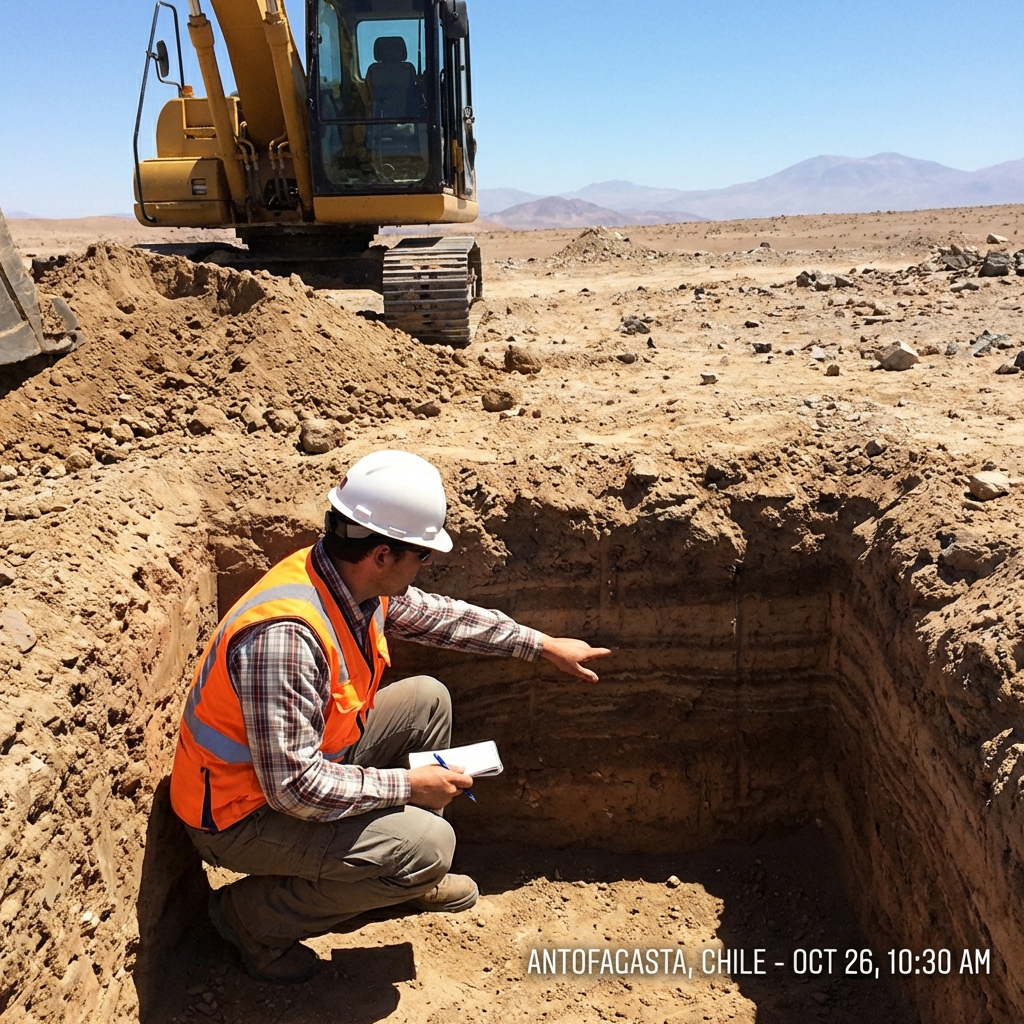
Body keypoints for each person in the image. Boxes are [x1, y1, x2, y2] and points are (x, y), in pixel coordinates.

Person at [169, 450, 610, 983]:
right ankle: (251, 920)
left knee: (427, 700)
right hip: (241, 814)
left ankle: (407, 871)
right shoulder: (285, 640)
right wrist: (408, 787)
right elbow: (294, 790)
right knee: (431, 847)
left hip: (293, 770)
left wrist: (539, 644)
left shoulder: (343, 579)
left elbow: (441, 618)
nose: (425, 564)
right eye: (421, 554)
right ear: (381, 555)